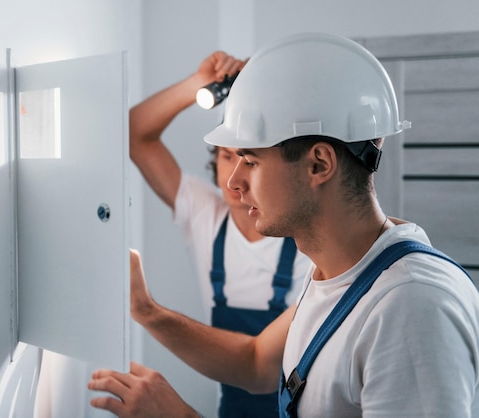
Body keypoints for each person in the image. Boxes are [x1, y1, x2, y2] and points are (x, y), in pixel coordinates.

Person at [88, 32, 479, 417]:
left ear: (319, 164)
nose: (233, 181)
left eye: (252, 161)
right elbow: (256, 363)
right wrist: (146, 310)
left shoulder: (411, 309)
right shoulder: (333, 273)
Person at [128, 50, 311, 417]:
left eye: (249, 159)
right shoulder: (204, 213)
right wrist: (198, 84)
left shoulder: (309, 241)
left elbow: (259, 363)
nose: (233, 178)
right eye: (226, 156)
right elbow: (134, 134)